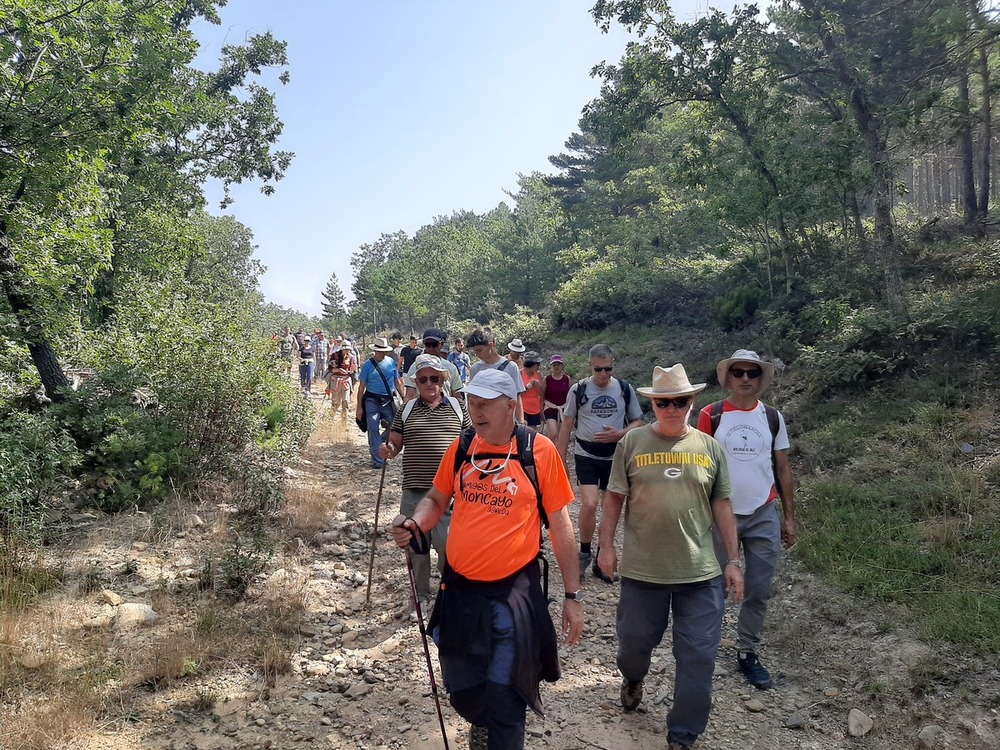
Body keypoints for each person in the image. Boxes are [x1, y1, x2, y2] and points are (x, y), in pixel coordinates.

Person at [390, 368, 584, 750]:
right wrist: (415, 524)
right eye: (471, 403)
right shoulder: (463, 447)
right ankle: (481, 720)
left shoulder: (537, 451)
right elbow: (435, 499)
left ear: (510, 406)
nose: (476, 412)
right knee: (462, 685)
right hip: (461, 589)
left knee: (506, 691)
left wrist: (573, 596)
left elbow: (561, 528)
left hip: (513, 594)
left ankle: (499, 729)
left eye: (485, 405)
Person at [598, 364, 743, 750]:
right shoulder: (631, 444)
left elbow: (723, 505)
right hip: (643, 572)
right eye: (664, 402)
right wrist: (606, 545)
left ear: (692, 402)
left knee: (698, 655)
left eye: (680, 401)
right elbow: (613, 497)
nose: (672, 408)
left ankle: (683, 734)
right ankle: (632, 677)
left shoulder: (710, 448)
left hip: (700, 574)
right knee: (633, 643)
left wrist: (733, 560)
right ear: (652, 404)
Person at [696, 349, 795, 691]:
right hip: (721, 512)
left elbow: (782, 467)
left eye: (752, 373)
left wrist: (789, 517)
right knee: (713, 585)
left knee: (759, 587)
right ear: (728, 377)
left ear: (760, 379)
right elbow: (699, 468)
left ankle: (747, 651)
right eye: (739, 373)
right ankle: (703, 647)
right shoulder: (712, 414)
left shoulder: (772, 417)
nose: (745, 379)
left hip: (764, 510)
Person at [380, 354, 471, 620]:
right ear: (416, 383)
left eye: (435, 378)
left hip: (450, 493)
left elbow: (471, 442)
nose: (429, 383)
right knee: (416, 545)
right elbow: (395, 443)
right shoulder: (406, 410)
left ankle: (447, 587)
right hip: (415, 489)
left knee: (447, 543)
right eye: (423, 379)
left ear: (443, 380)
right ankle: (420, 593)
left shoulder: (457, 408)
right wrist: (388, 449)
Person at [556, 344, 643, 583]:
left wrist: (621, 433)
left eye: (608, 369)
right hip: (586, 454)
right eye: (599, 370)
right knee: (590, 503)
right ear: (590, 366)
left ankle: (603, 556)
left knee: (610, 508)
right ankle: (584, 552)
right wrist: (559, 460)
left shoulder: (624, 389)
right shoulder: (579, 389)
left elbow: (637, 421)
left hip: (616, 455)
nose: (604, 374)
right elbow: (566, 425)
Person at [356, 337, 404, 468]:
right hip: (372, 399)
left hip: (388, 400)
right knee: (372, 426)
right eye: (378, 351)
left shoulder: (391, 363)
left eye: (383, 351)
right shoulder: (367, 365)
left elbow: (397, 382)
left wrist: (404, 398)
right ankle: (378, 460)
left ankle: (380, 442)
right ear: (374, 351)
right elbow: (361, 387)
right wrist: (359, 407)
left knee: (395, 426)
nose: (381, 354)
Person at [467, 328, 526, 423]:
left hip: (507, 422)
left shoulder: (511, 367)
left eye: (479, 350)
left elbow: (517, 397)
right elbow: (472, 398)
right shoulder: (475, 369)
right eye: (475, 351)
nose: (477, 354)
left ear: (491, 345)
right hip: (485, 422)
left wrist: (521, 422)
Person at [402, 328, 463, 401]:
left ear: (442, 344)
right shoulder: (415, 367)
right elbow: (409, 396)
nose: (431, 348)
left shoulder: (451, 368)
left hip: (446, 411)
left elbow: (457, 396)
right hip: (421, 411)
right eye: (428, 344)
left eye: (434, 344)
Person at [543, 354, 571, 437]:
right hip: (550, 408)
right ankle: (550, 448)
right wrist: (540, 408)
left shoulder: (566, 379)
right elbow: (542, 394)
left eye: (558, 365)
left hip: (563, 408)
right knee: (553, 432)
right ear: (551, 366)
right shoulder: (547, 379)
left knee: (561, 434)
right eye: (554, 365)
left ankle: (558, 449)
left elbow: (570, 395)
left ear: (562, 366)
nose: (556, 367)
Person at [327, 334, 355, 417]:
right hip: (336, 381)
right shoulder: (334, 355)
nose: (348, 351)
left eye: (349, 350)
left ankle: (344, 421)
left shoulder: (351, 357)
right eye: (346, 349)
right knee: (336, 402)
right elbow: (329, 369)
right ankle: (330, 419)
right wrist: (338, 370)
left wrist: (349, 372)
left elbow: (352, 370)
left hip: (346, 381)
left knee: (345, 401)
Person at [520, 351, 545, 430]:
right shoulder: (520, 373)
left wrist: (538, 386)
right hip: (522, 406)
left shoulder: (538, 375)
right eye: (537, 364)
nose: (539, 366)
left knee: (532, 431)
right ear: (532, 364)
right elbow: (517, 392)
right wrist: (528, 386)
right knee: (523, 428)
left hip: (534, 407)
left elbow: (542, 394)